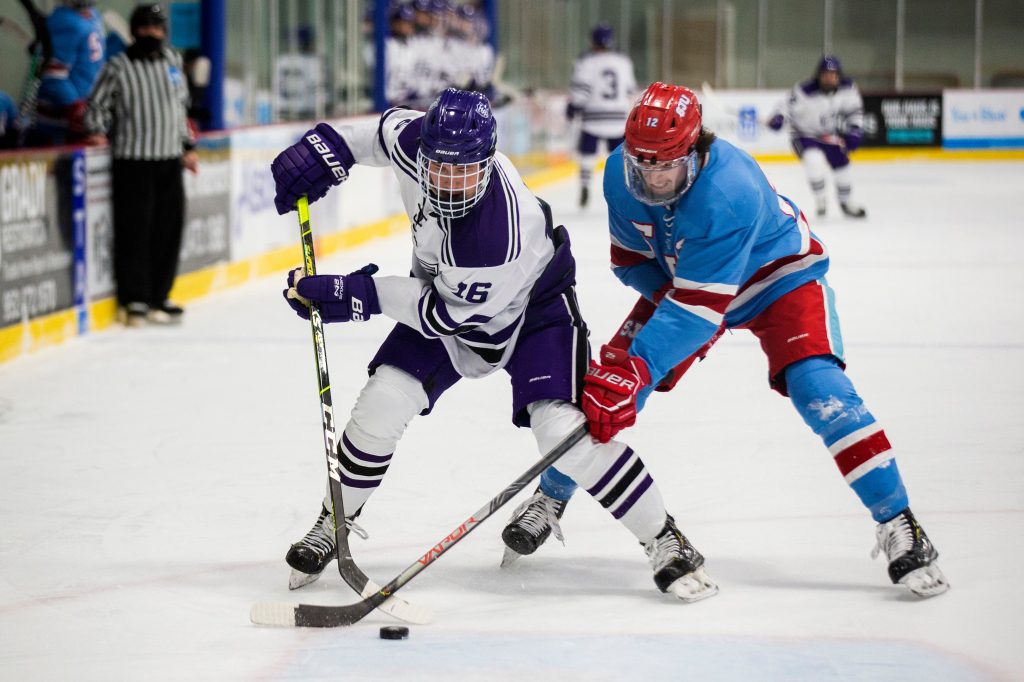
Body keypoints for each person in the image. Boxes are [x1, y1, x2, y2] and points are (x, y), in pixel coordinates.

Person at [269, 88, 718, 603]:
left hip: (534, 312)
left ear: (486, 163)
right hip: (447, 303)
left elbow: (439, 312)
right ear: (424, 153)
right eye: (439, 167)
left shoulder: (496, 232)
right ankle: (335, 522)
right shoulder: (415, 142)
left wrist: (356, 293)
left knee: (564, 432)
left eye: (465, 171)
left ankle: (665, 538)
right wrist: (326, 150)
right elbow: (373, 134)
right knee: (382, 402)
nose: (450, 183)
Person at [502, 82, 949, 599]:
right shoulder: (619, 176)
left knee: (819, 390)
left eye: (666, 164)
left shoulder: (729, 188)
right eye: (643, 162)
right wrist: (635, 367)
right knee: (605, 394)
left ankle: (900, 522)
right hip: (690, 286)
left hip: (778, 281)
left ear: (696, 150)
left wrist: (649, 357)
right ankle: (551, 496)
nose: (652, 176)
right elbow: (632, 264)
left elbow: (698, 311)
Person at [83, 4, 198, 326]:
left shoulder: (173, 62)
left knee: (168, 231)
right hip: (133, 161)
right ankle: (134, 298)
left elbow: (179, 109)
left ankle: (159, 296)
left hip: (169, 160)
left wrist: (187, 146)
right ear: (134, 31)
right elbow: (96, 108)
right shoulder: (117, 67)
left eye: (157, 27)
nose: (152, 33)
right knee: (135, 232)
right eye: (145, 27)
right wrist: (96, 131)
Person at [768, 55, 866, 219]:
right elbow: (785, 106)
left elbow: (854, 111)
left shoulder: (848, 88)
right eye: (825, 75)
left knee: (843, 165)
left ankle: (846, 202)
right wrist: (779, 117)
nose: (829, 78)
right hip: (805, 135)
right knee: (813, 160)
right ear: (818, 75)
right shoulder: (804, 91)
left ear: (839, 76)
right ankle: (821, 199)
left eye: (833, 75)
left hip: (829, 135)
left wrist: (855, 130)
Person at [567, 23, 637, 208]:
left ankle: (584, 185)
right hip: (618, 119)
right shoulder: (623, 61)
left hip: (593, 118)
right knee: (620, 158)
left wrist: (573, 107)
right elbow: (630, 90)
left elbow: (582, 91)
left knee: (587, 155)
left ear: (592, 41)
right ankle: (625, 190)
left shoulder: (586, 62)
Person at [33, 0, 105, 145]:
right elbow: (52, 76)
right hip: (60, 126)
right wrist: (77, 110)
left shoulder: (94, 16)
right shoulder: (64, 20)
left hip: (86, 118)